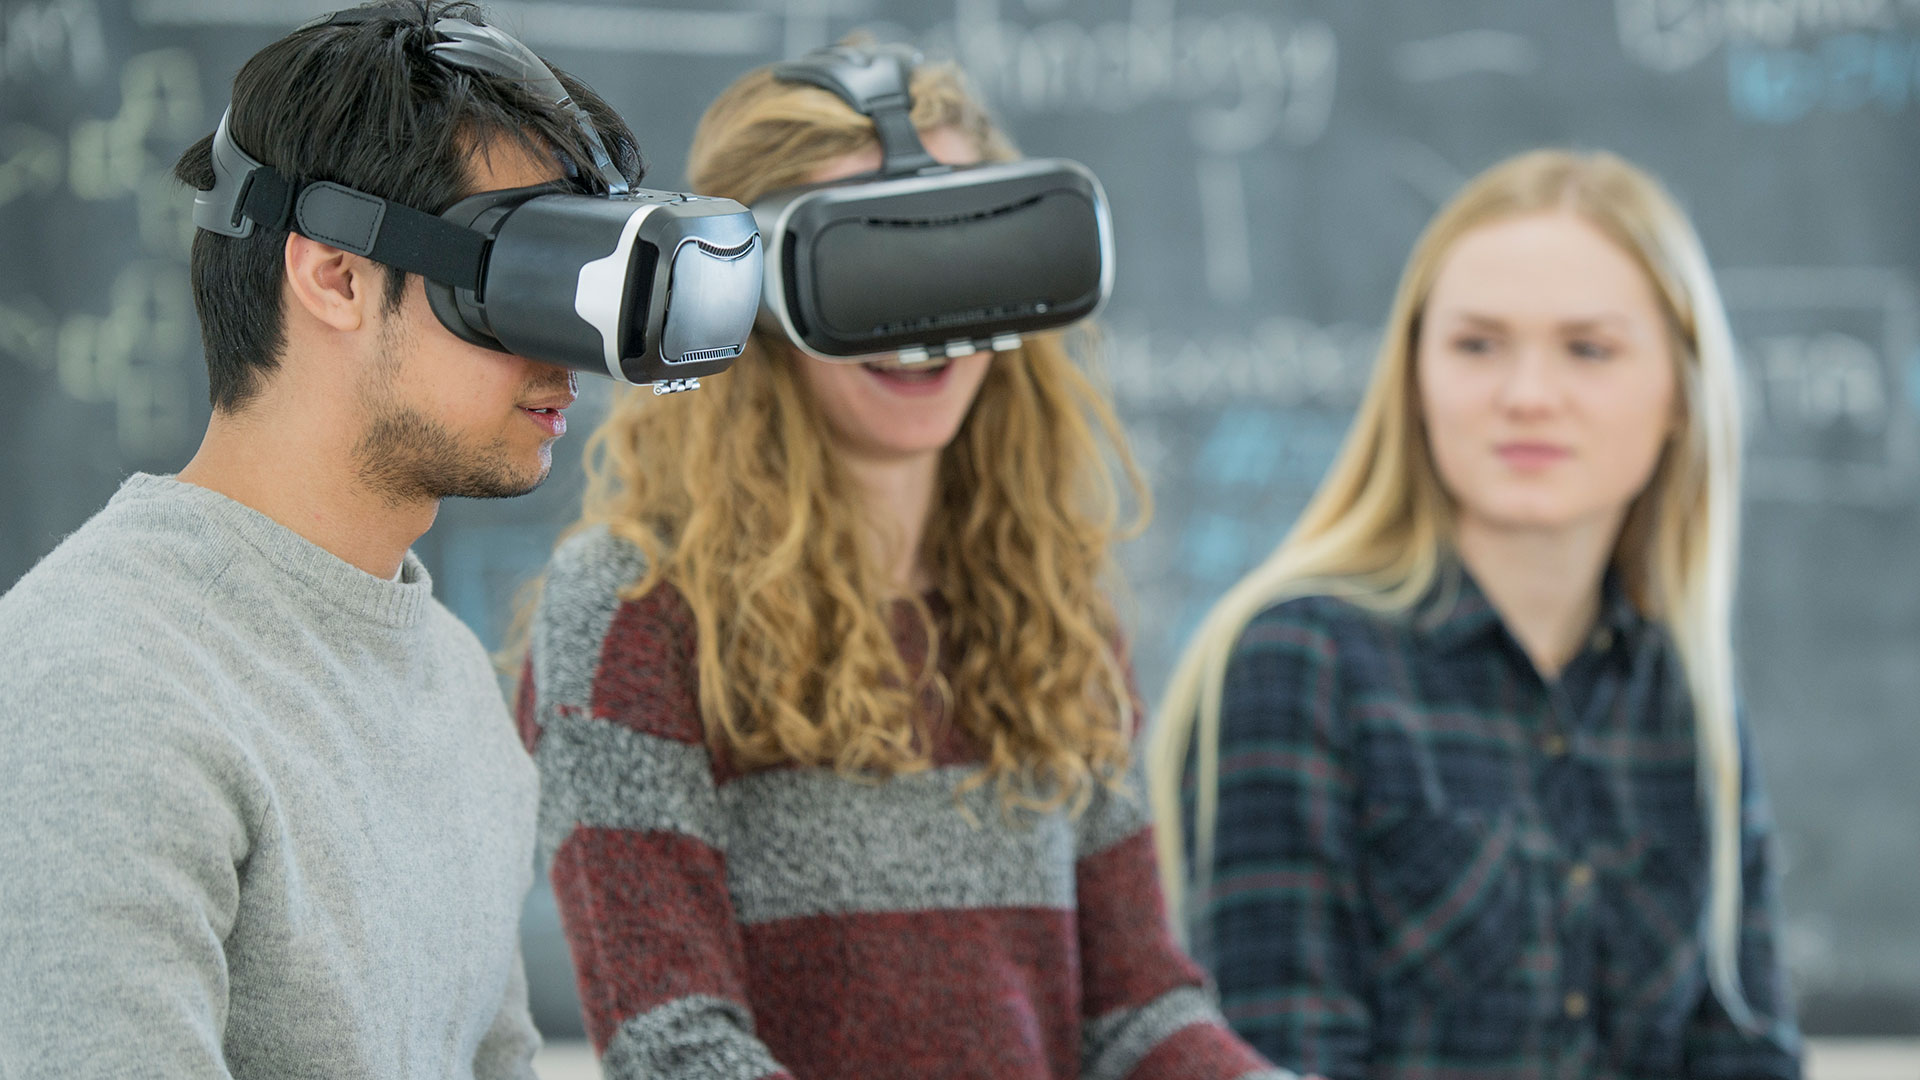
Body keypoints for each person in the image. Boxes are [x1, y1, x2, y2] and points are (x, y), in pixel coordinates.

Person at [518, 50, 1289, 1080]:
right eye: (867, 264)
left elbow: (1137, 1012)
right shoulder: (632, 608)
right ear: (738, 288)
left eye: (961, 258)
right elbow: (676, 1045)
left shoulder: (1049, 609)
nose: (925, 329)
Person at [0, 3, 646, 1075]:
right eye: (514, 274)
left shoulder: (449, 676)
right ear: (336, 276)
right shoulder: (102, 684)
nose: (566, 350)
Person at [1146, 149, 1803, 1079]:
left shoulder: (1682, 697)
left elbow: (1748, 1054)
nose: (1526, 396)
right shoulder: (1299, 663)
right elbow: (1282, 1058)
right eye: (1477, 346)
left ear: (1679, 396)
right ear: (1415, 379)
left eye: (1589, 349)